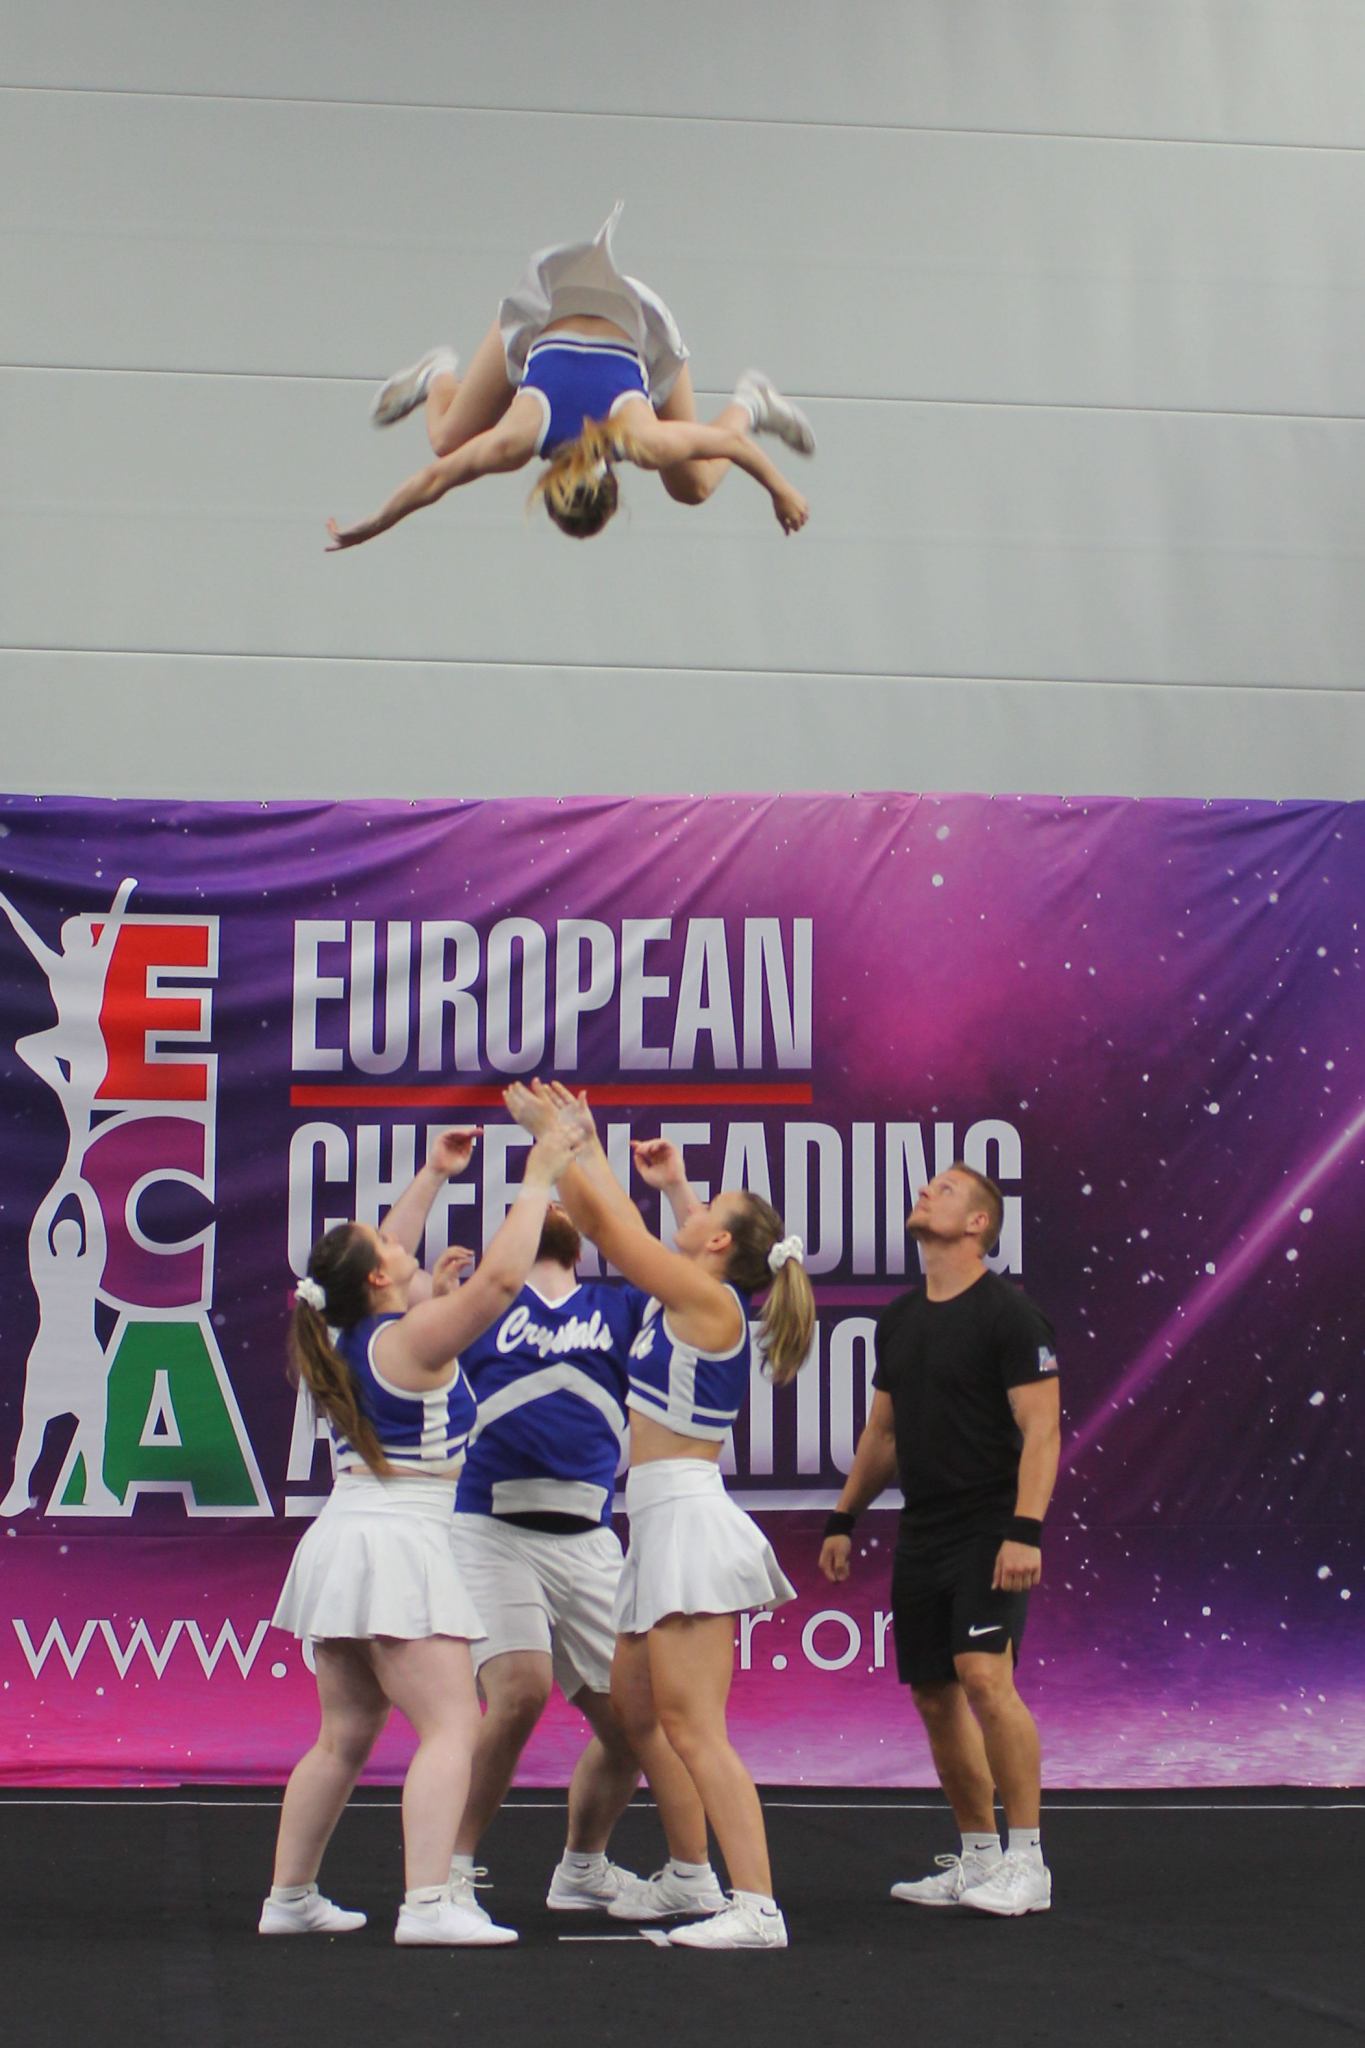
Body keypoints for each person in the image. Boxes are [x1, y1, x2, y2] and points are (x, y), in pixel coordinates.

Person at [507, 1081, 816, 1951]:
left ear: (717, 1242)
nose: (694, 1204)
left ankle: (757, 1908)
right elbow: (610, 1219)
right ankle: (686, 1876)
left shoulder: (705, 1303)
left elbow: (614, 1233)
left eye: (707, 1206)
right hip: (653, 1523)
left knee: (694, 1729)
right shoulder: (698, 1293)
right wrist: (597, 1150)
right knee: (639, 1716)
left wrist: (562, 1140)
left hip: (685, 1522)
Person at [260, 1117, 579, 1946]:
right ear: (377, 1277)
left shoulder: (342, 1330)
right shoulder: (407, 1339)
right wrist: (539, 1174)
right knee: (452, 1726)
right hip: (398, 1540)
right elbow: (500, 1282)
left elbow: (378, 1253)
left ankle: (289, 1898)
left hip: (348, 1535)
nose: (398, 1239)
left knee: (343, 1736)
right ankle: (430, 1905)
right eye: (387, 1245)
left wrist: (435, 1173)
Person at [446, 1200, 727, 1922]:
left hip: (590, 1537)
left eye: (563, 1200)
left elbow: (698, 1276)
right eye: (530, 1201)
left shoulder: (622, 1304)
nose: (550, 1206)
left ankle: (582, 1869)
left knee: (634, 1721)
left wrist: (675, 1190)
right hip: (491, 1529)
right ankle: (448, 1871)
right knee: (519, 1689)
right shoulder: (484, 1298)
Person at [818, 1164, 1062, 1917]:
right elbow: (883, 1433)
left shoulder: (1010, 1316)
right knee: (933, 1694)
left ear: (979, 1223)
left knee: (984, 1677)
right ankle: (978, 1858)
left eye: (946, 1190)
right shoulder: (900, 1318)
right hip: (923, 1527)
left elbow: (1041, 1431)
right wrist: (844, 1517)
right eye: (927, 1186)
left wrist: (1025, 1531)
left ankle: (1028, 1862)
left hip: (991, 1524)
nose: (925, 1192)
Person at [324, 202, 813, 549]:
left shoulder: (640, 443)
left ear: (615, 484)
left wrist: (782, 491)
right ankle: (437, 374)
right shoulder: (519, 443)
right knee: (445, 444)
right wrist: (372, 525)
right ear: (549, 478)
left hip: (594, 312)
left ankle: (751, 403)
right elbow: (435, 480)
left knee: (694, 485)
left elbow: (732, 446)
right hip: (563, 310)